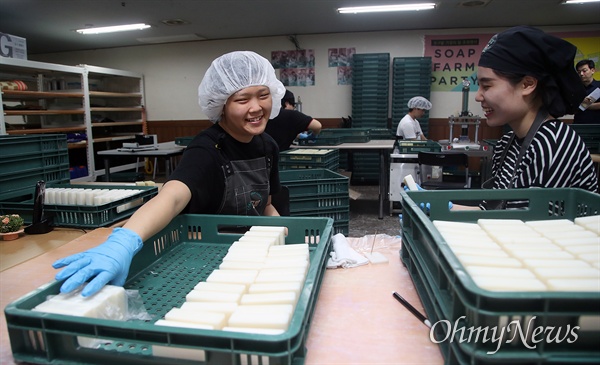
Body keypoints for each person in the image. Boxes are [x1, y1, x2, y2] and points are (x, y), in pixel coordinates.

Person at [52, 51, 287, 297]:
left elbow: (265, 205)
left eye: (263, 95)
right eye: (242, 100)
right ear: (222, 104)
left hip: (251, 255)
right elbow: (171, 196)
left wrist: (284, 236)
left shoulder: (267, 145)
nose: (256, 107)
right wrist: (122, 242)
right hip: (205, 259)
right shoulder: (205, 149)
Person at [453, 26, 597, 210]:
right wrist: (440, 207)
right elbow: (491, 212)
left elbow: (522, 229)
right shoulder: (507, 144)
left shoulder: (552, 145)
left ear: (527, 85)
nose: (478, 96)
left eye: (487, 86)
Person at [573, 59, 600, 124]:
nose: (581, 74)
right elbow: (571, 107)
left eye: (584, 71)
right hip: (579, 125)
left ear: (592, 70)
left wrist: (583, 105)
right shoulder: (575, 88)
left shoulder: (599, 85)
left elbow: (578, 105)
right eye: (579, 72)